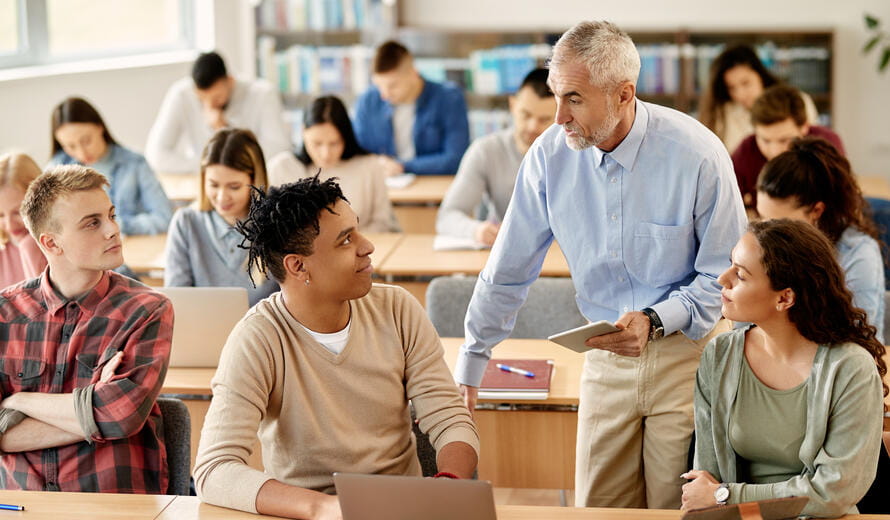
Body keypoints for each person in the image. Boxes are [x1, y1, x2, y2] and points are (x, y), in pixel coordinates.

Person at [454, 21, 746, 509]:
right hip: (604, 352)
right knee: (596, 509)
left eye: (574, 98)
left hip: (687, 357)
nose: (557, 117)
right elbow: (508, 267)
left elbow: (726, 276)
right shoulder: (549, 157)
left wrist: (655, 319)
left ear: (623, 94)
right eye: (554, 95)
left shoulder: (697, 154)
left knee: (673, 509)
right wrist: (472, 361)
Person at [193, 176, 479, 519]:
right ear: (298, 266)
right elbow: (214, 470)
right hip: (306, 514)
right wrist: (326, 509)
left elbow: (450, 418)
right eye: (346, 240)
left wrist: (448, 484)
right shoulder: (257, 338)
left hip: (402, 509)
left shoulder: (398, 308)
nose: (367, 246)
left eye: (356, 230)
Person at [683, 219, 886, 517]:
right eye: (730, 265)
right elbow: (706, 480)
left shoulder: (851, 368)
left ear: (784, 298)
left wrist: (726, 495)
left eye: (740, 274)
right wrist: (720, 497)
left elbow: (833, 493)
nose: (721, 280)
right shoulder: (720, 354)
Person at [0, 165, 173, 493]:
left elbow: (121, 416)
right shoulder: (3, 313)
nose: (113, 230)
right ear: (51, 243)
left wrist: (20, 400)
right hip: (22, 507)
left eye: (111, 215)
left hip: (111, 504)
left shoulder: (146, 309)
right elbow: (111, 418)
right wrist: (95, 411)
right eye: (93, 223)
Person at [755, 137, 884, 342]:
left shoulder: (858, 254)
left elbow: (859, 338)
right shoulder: (763, 247)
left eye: (779, 222)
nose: (767, 231)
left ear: (816, 210)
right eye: (762, 216)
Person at [436, 68, 556, 245]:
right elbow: (447, 217)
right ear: (512, 105)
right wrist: (476, 230)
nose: (532, 127)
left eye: (544, 119)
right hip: (511, 253)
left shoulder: (579, 154)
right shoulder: (486, 150)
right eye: (526, 115)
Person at [165, 128, 279, 306]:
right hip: (202, 330)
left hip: (264, 332)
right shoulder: (186, 222)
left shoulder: (279, 223)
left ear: (255, 182)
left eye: (234, 186)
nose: (221, 197)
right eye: (214, 185)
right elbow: (176, 302)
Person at [146, 51, 292, 174]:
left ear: (230, 80)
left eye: (217, 98)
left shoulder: (263, 94)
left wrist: (225, 130)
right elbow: (156, 155)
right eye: (202, 99)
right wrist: (208, 166)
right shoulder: (181, 94)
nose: (209, 106)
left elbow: (279, 151)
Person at [268, 96, 396, 232]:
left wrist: (346, 245)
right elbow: (274, 227)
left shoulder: (370, 166)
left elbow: (382, 223)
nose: (326, 154)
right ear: (303, 132)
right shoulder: (281, 167)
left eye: (334, 143)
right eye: (317, 143)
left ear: (346, 137)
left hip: (360, 248)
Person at [48, 97, 173, 235]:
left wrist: (115, 224)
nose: (81, 152)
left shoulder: (135, 164)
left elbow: (164, 218)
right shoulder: (55, 170)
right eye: (70, 146)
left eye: (86, 141)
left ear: (100, 127)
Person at [353, 40, 469, 176]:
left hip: (431, 187)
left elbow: (455, 159)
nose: (384, 94)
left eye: (392, 86)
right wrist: (379, 162)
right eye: (379, 85)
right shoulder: (367, 101)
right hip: (384, 187)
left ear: (414, 73)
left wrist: (402, 166)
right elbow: (357, 153)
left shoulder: (449, 98)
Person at [732, 85, 845, 208]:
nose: (775, 152)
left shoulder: (827, 144)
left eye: (784, 140)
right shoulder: (746, 151)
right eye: (765, 140)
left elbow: (843, 201)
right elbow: (728, 202)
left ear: (804, 127)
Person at [698, 44, 819, 153]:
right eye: (732, 88)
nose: (740, 94)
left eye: (746, 83)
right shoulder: (725, 114)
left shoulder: (797, 102)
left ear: (760, 75)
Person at [0, 153, 47, 288]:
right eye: (0, 215)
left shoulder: (63, 246)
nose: (9, 225)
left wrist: (30, 249)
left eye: (18, 212)